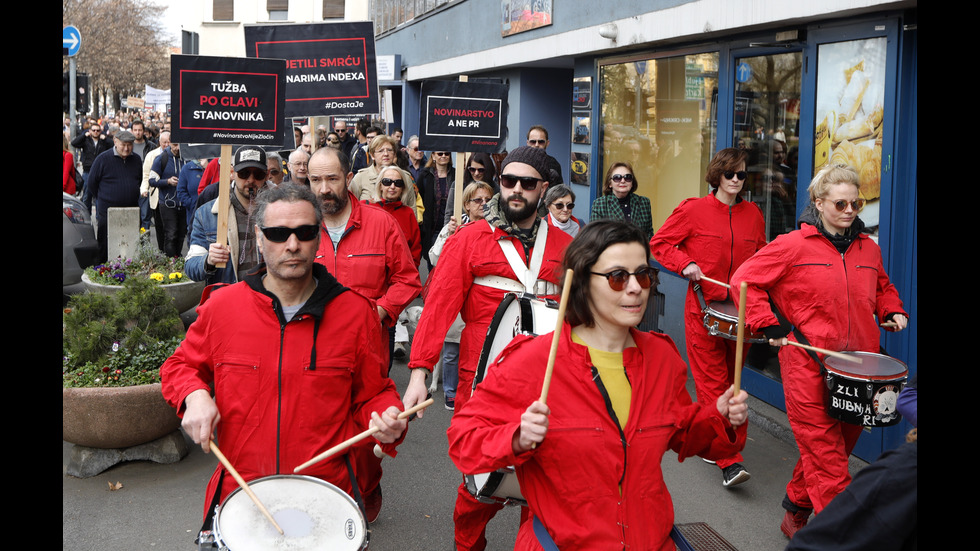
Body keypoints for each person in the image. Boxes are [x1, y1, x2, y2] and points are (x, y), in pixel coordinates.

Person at [447, 220, 749, 550]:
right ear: (582, 282)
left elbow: (684, 434)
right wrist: (516, 437)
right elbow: (464, 438)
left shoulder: (662, 357)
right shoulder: (535, 360)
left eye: (644, 275)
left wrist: (718, 416)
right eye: (618, 277)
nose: (636, 288)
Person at [160, 183, 408, 535]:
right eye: (279, 234)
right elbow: (179, 366)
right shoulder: (222, 307)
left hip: (326, 495)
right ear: (260, 238)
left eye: (304, 232)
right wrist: (194, 396)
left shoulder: (356, 313)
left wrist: (387, 418)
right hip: (241, 493)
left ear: (319, 237)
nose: (292, 245)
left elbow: (373, 393)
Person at [404, 146, 573, 551]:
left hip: (549, 383)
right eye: (508, 181)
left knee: (543, 482)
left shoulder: (567, 246)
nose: (516, 190)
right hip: (484, 382)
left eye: (527, 183)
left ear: (543, 189)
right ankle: (469, 544)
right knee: (480, 482)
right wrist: (419, 373)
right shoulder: (469, 239)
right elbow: (437, 308)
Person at [730, 163, 909, 539]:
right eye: (840, 204)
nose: (849, 211)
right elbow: (744, 280)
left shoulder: (868, 248)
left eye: (855, 204)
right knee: (829, 465)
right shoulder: (792, 245)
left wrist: (890, 309)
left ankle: (795, 509)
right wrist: (767, 323)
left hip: (859, 370)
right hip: (807, 365)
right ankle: (842, 538)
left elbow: (881, 287)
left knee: (834, 451)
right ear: (819, 202)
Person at [309, 146, 422, 521]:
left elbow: (408, 280)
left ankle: (368, 482)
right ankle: (328, 494)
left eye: (331, 179)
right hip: (314, 346)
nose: (324, 188)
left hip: (370, 346)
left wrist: (378, 311)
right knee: (318, 425)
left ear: (349, 179)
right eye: (315, 180)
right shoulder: (302, 228)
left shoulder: (380, 223)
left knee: (366, 426)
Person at [649, 147, 766, 487]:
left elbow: (762, 258)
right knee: (713, 383)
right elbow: (660, 243)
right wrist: (685, 263)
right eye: (729, 174)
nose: (735, 180)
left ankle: (711, 438)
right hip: (703, 309)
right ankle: (729, 457)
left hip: (741, 313)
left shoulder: (754, 215)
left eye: (741, 175)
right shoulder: (693, 210)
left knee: (734, 383)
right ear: (717, 176)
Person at [427, 181, 494, 411]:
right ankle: (451, 393)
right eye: (478, 200)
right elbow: (434, 258)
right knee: (452, 352)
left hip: (481, 307)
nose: (483, 205)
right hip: (457, 300)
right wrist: (448, 233)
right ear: (466, 205)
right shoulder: (455, 229)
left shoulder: (498, 231)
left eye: (487, 200)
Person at [185, 146, 269, 285]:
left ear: (266, 176)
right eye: (244, 173)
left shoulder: (279, 213)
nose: (251, 180)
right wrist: (209, 260)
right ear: (232, 173)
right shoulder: (207, 214)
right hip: (227, 299)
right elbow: (191, 267)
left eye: (258, 174)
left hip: (265, 300)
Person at [86, 129, 143, 264]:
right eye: (123, 144)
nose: (126, 148)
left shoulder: (136, 159)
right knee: (105, 242)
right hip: (108, 210)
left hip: (131, 209)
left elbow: (138, 179)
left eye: (130, 144)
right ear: (115, 142)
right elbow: (92, 183)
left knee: (131, 242)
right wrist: (104, 197)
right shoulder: (103, 158)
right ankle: (103, 270)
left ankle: (129, 269)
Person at [364, 164, 422, 267]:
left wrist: (410, 269)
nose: (392, 187)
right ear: (380, 185)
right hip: (371, 269)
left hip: (400, 271)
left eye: (398, 183)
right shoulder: (366, 207)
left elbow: (415, 248)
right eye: (387, 182)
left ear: (403, 188)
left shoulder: (408, 213)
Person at [590, 161, 654, 240]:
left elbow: (649, 234)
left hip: (639, 251)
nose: (623, 181)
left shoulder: (644, 203)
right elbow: (595, 236)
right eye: (617, 178)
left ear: (632, 182)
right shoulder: (600, 204)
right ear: (610, 183)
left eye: (627, 177)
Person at [149, 142, 187, 257]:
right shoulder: (161, 159)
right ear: (170, 144)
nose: (177, 148)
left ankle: (177, 258)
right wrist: (167, 181)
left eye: (180, 145)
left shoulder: (187, 158)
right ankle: (170, 261)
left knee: (181, 235)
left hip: (184, 203)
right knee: (170, 234)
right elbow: (151, 180)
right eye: (175, 145)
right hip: (167, 203)